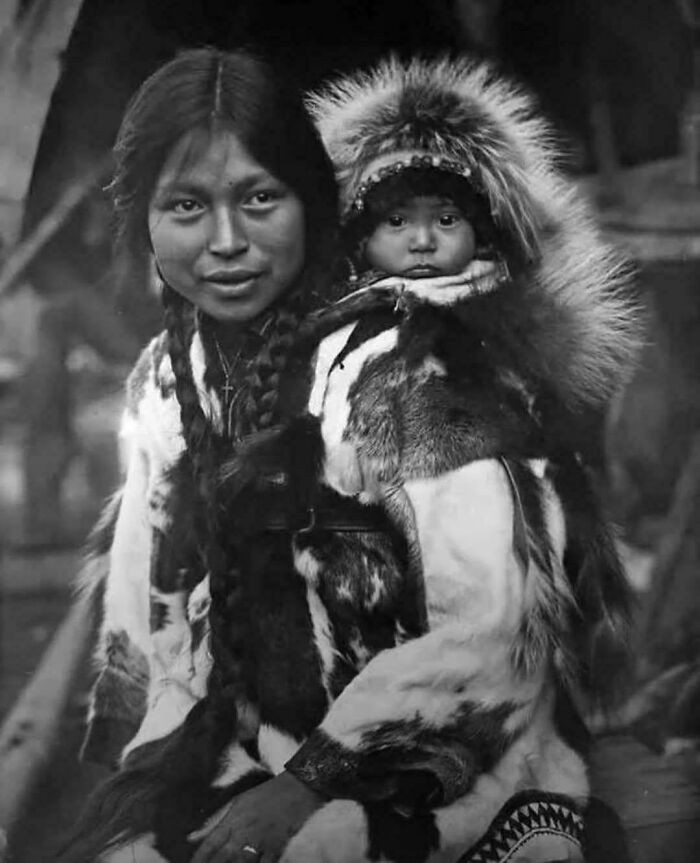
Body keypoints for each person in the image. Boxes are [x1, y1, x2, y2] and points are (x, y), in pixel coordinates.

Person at [68, 52, 639, 863]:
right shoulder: (167, 376)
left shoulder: (408, 370)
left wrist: (307, 784)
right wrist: (153, 778)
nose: (226, 242)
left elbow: (490, 629)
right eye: (186, 205)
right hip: (245, 752)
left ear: (313, 205)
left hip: (444, 757)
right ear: (144, 222)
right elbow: (147, 611)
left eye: (260, 198)